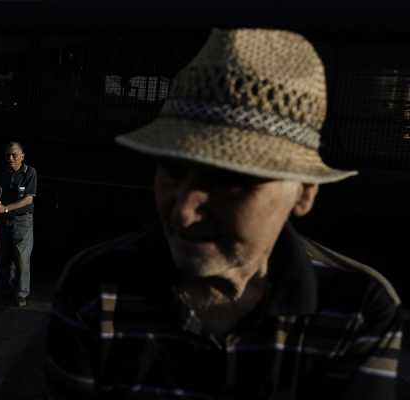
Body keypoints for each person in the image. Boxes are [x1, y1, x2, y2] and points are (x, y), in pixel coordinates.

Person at [45, 29, 404, 399]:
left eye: (230, 182)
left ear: (304, 193)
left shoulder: (358, 309)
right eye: (172, 171)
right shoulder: (94, 288)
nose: (183, 212)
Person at [0, 142, 37, 307]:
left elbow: (28, 199)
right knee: (4, 258)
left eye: (14, 155)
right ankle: (5, 291)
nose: (10, 158)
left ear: (22, 156)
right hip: (3, 220)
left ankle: (21, 294)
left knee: (22, 259)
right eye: (8, 155)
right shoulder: (1, 172)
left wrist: (6, 208)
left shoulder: (30, 172)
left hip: (22, 221)